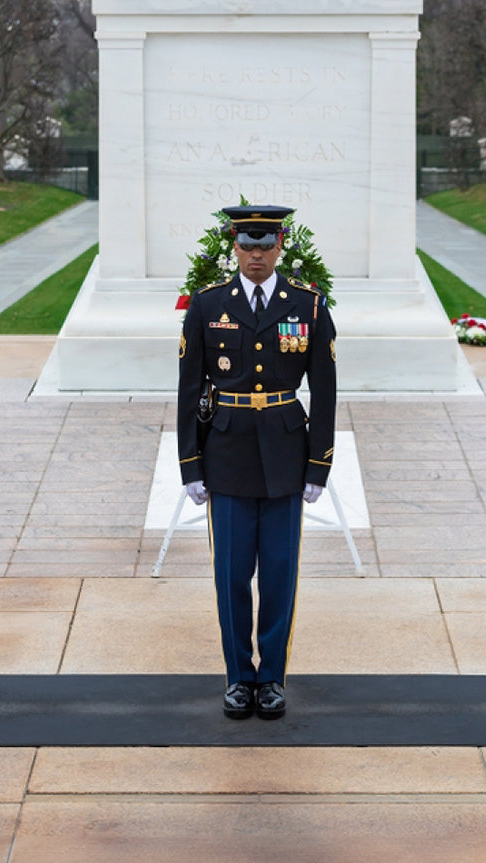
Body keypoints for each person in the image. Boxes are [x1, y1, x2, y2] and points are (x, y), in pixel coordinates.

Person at [177, 204, 338, 720]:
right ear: (233, 245)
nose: (256, 256)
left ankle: (270, 677)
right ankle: (238, 677)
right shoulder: (207, 305)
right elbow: (188, 390)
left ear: (281, 246)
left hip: (286, 453)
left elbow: (326, 392)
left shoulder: (308, 306)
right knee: (230, 576)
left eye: (265, 246)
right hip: (225, 454)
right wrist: (190, 464)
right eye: (247, 246)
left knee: (278, 573)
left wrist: (319, 465)